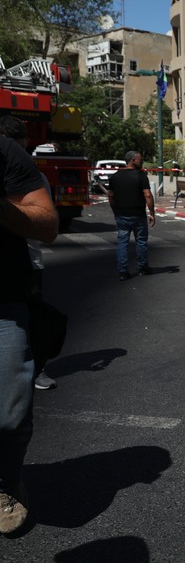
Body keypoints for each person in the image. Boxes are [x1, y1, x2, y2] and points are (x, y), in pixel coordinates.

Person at [0, 131, 59, 534]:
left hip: (3, 301)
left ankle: (6, 483)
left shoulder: (5, 152)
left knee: (10, 412)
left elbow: (48, 223)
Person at [0, 117, 57, 391]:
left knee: (32, 322)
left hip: (22, 270)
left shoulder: (29, 172)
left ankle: (38, 368)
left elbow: (47, 223)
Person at [108, 151, 155, 281]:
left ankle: (123, 271)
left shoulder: (115, 177)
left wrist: (115, 211)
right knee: (141, 241)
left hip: (121, 214)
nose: (142, 161)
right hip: (138, 215)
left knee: (122, 242)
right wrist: (152, 213)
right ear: (133, 160)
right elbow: (148, 195)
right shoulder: (141, 176)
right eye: (140, 159)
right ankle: (143, 268)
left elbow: (110, 195)